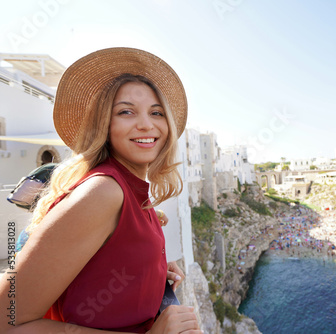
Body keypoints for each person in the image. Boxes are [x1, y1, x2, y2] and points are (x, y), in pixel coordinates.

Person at [0, 47, 201, 334]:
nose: (146, 123)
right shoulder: (103, 192)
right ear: (104, 125)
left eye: (156, 112)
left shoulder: (128, 193)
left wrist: (148, 268)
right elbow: (6, 323)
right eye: (126, 111)